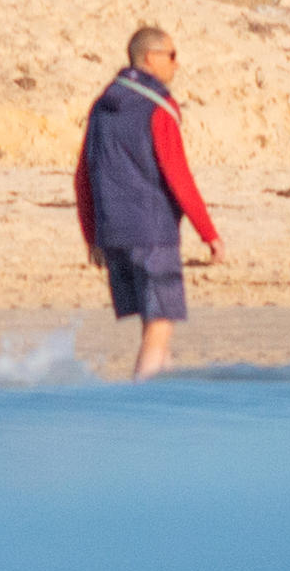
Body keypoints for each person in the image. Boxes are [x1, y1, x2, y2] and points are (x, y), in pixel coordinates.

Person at [71, 23, 224, 377]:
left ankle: (160, 407)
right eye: (172, 56)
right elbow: (177, 174)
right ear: (151, 58)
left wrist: (92, 235)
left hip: (113, 234)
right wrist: (209, 234)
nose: (176, 64)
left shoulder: (101, 105)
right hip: (152, 234)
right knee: (161, 323)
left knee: (153, 328)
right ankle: (141, 409)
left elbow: (83, 176)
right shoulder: (159, 106)